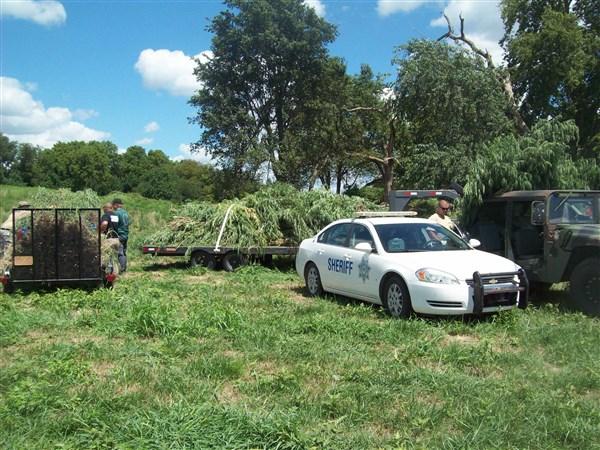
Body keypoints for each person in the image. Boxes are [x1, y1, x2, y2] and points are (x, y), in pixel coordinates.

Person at [112, 198, 130, 272]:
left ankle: (122, 269)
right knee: (124, 252)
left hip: (120, 235)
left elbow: (113, 224)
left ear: (116, 205)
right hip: (125, 234)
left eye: (113, 205)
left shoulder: (116, 213)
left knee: (120, 253)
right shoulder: (125, 213)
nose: (112, 207)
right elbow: (129, 223)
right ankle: (124, 267)